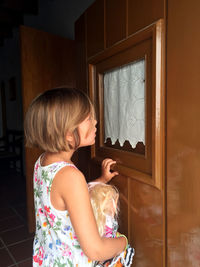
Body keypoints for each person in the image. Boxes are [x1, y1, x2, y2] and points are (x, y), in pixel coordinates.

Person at [24, 88, 128, 267]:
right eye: (88, 118)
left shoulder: (42, 162)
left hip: (50, 259)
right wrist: (123, 242)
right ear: (67, 132)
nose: (95, 122)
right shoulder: (70, 177)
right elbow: (96, 250)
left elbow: (64, 201)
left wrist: (101, 180)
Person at [88, 182, 135, 267]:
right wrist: (123, 240)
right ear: (114, 207)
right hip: (105, 257)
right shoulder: (108, 222)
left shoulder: (88, 220)